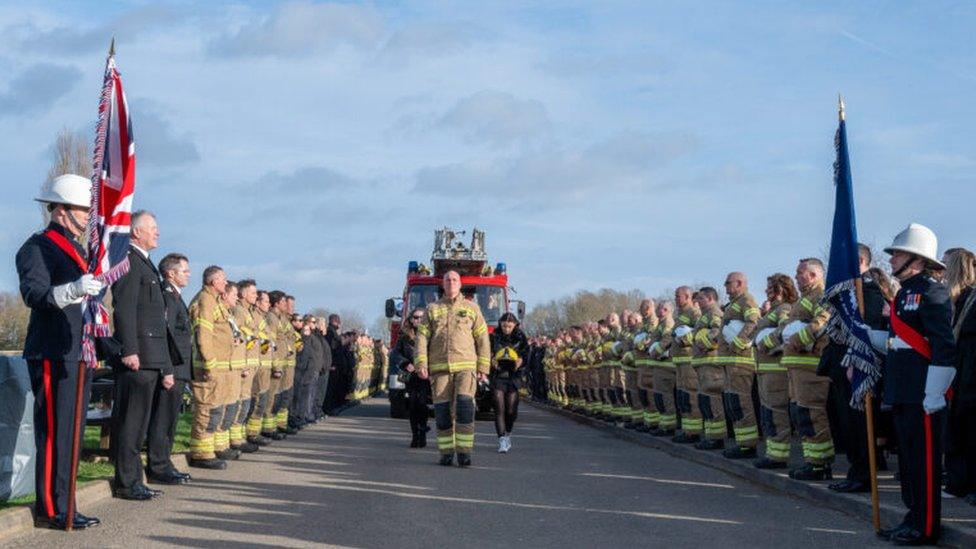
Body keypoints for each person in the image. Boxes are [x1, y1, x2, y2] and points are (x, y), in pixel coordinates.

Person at [17, 174, 104, 529]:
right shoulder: (37, 247)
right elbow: (34, 296)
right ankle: (51, 508)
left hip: (77, 349)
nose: (88, 217)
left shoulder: (79, 250)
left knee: (72, 432)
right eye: (84, 210)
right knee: (55, 433)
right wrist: (73, 289)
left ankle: (67, 502)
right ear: (62, 210)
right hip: (52, 349)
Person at [869, 224, 956, 545]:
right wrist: (864, 334)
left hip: (923, 392)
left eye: (898, 254)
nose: (891, 260)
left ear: (916, 260)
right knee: (908, 463)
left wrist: (935, 391)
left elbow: (943, 345)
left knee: (924, 464)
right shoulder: (905, 292)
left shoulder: (932, 291)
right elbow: (897, 342)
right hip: (903, 389)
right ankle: (913, 516)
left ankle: (926, 526)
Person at [109, 210, 169, 500]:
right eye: (152, 228)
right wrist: (129, 349)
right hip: (139, 355)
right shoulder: (129, 261)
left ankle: (135, 479)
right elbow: (124, 308)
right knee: (131, 422)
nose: (157, 232)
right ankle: (126, 482)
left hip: (151, 355)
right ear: (136, 232)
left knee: (140, 423)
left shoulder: (145, 263)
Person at [824, 244, 889, 492]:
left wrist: (853, 360)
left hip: (857, 368)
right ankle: (856, 471)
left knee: (859, 425)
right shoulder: (849, 292)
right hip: (842, 367)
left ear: (859, 260)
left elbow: (866, 332)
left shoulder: (867, 291)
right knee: (849, 425)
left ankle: (862, 475)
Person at [415, 270, 491, 467]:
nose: (451, 282)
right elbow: (421, 338)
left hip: (466, 367)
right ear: (443, 284)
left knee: (465, 409)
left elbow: (482, 338)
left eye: (454, 280)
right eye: (447, 280)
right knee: (442, 413)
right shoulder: (432, 309)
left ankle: (464, 453)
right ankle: (446, 453)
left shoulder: (472, 308)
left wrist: (483, 365)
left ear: (460, 284)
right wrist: (421, 363)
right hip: (440, 369)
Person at [152, 253, 193, 484]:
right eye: (184, 271)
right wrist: (166, 369)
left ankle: (165, 462)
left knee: (171, 421)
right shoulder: (167, 296)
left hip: (180, 368)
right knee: (162, 420)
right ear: (171, 273)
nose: (188, 275)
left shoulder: (176, 296)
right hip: (172, 369)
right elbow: (166, 335)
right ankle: (158, 466)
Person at [187, 265, 233, 469]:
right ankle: (201, 454)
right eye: (223, 279)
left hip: (218, 367)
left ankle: (209, 449)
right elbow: (203, 336)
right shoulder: (205, 301)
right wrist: (209, 365)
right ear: (213, 282)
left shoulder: (214, 301)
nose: (226, 282)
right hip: (207, 367)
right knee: (205, 409)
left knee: (214, 409)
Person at [752, 273, 798, 469]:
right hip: (764, 369)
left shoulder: (784, 309)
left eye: (769, 288)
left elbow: (785, 332)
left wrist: (768, 343)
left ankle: (778, 456)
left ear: (780, 289)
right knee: (768, 413)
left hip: (775, 370)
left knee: (775, 412)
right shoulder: (774, 310)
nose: (765, 291)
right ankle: (772, 453)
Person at [943, 248, 976, 505]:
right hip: (959, 372)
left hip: (970, 373)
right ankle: (958, 483)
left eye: (945, 266)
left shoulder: (971, 299)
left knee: (969, 431)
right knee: (957, 429)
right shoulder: (958, 300)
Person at [717, 272, 761, 459]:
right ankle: (741, 442)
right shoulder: (734, 303)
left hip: (740, 360)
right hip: (730, 361)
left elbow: (754, 323)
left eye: (728, 283)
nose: (725, 287)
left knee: (741, 402)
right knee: (733, 403)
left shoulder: (747, 300)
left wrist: (738, 343)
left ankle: (747, 445)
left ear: (740, 283)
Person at [691, 287, 725, 450]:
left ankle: (716, 438)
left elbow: (717, 332)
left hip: (711, 363)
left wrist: (701, 343)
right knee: (706, 401)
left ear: (711, 298)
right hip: (703, 363)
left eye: (701, 298)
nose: (697, 302)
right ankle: (711, 435)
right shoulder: (705, 315)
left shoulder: (714, 313)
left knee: (712, 401)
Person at [490, 312, 530, 453]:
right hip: (498, 375)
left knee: (511, 410)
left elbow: (526, 353)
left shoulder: (521, 337)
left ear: (515, 325)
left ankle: (508, 433)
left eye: (509, 326)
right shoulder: (494, 336)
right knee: (499, 407)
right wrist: (491, 359)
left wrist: (521, 361)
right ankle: (502, 439)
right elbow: (486, 351)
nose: (506, 328)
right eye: (504, 325)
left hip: (514, 376)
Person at [392, 307, 430, 447]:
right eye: (415, 317)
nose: (418, 320)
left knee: (422, 404)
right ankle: (415, 435)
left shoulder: (431, 335)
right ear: (410, 319)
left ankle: (423, 432)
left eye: (421, 317)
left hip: (426, 374)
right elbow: (396, 355)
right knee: (413, 405)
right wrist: (406, 363)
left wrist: (425, 365)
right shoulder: (404, 336)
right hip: (410, 375)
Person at [671, 286, 703, 443]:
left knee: (690, 396)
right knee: (683, 398)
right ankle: (687, 429)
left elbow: (698, 333)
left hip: (689, 361)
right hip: (679, 362)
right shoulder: (680, 315)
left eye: (678, 296)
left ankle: (694, 432)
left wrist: (684, 338)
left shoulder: (694, 313)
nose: (676, 299)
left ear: (688, 296)